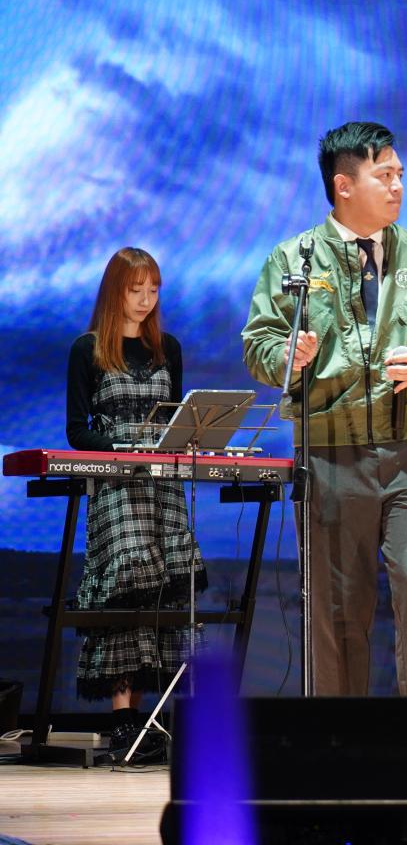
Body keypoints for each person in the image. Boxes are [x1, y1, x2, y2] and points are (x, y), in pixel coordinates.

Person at [241, 121, 407, 696]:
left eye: (400, 175)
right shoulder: (294, 258)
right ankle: (339, 734)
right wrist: (285, 355)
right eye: (384, 175)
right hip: (330, 455)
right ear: (344, 185)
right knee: (339, 606)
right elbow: (259, 344)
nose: (398, 186)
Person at [66, 248, 204, 750]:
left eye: (153, 290)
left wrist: (178, 442)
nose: (146, 300)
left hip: (163, 485)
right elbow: (77, 431)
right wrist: (123, 448)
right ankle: (123, 718)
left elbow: (177, 418)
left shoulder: (169, 347)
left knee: (167, 594)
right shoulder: (88, 349)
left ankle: (155, 721)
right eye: (135, 289)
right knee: (126, 591)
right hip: (118, 485)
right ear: (115, 291)